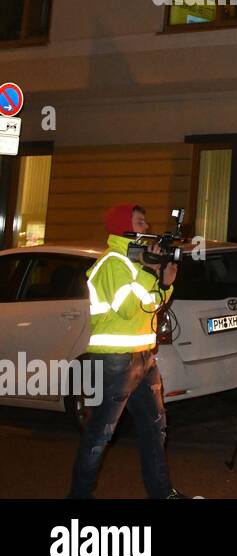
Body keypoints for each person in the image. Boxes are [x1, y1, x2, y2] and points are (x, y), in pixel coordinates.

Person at [68, 204, 195, 499]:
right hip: (113, 361)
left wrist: (165, 283)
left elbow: (153, 305)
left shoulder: (137, 264)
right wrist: (151, 273)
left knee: (156, 430)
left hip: (143, 357)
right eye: (140, 221)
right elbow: (128, 309)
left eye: (145, 221)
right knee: (99, 436)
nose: (147, 226)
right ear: (122, 226)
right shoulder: (113, 263)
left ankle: (162, 493)